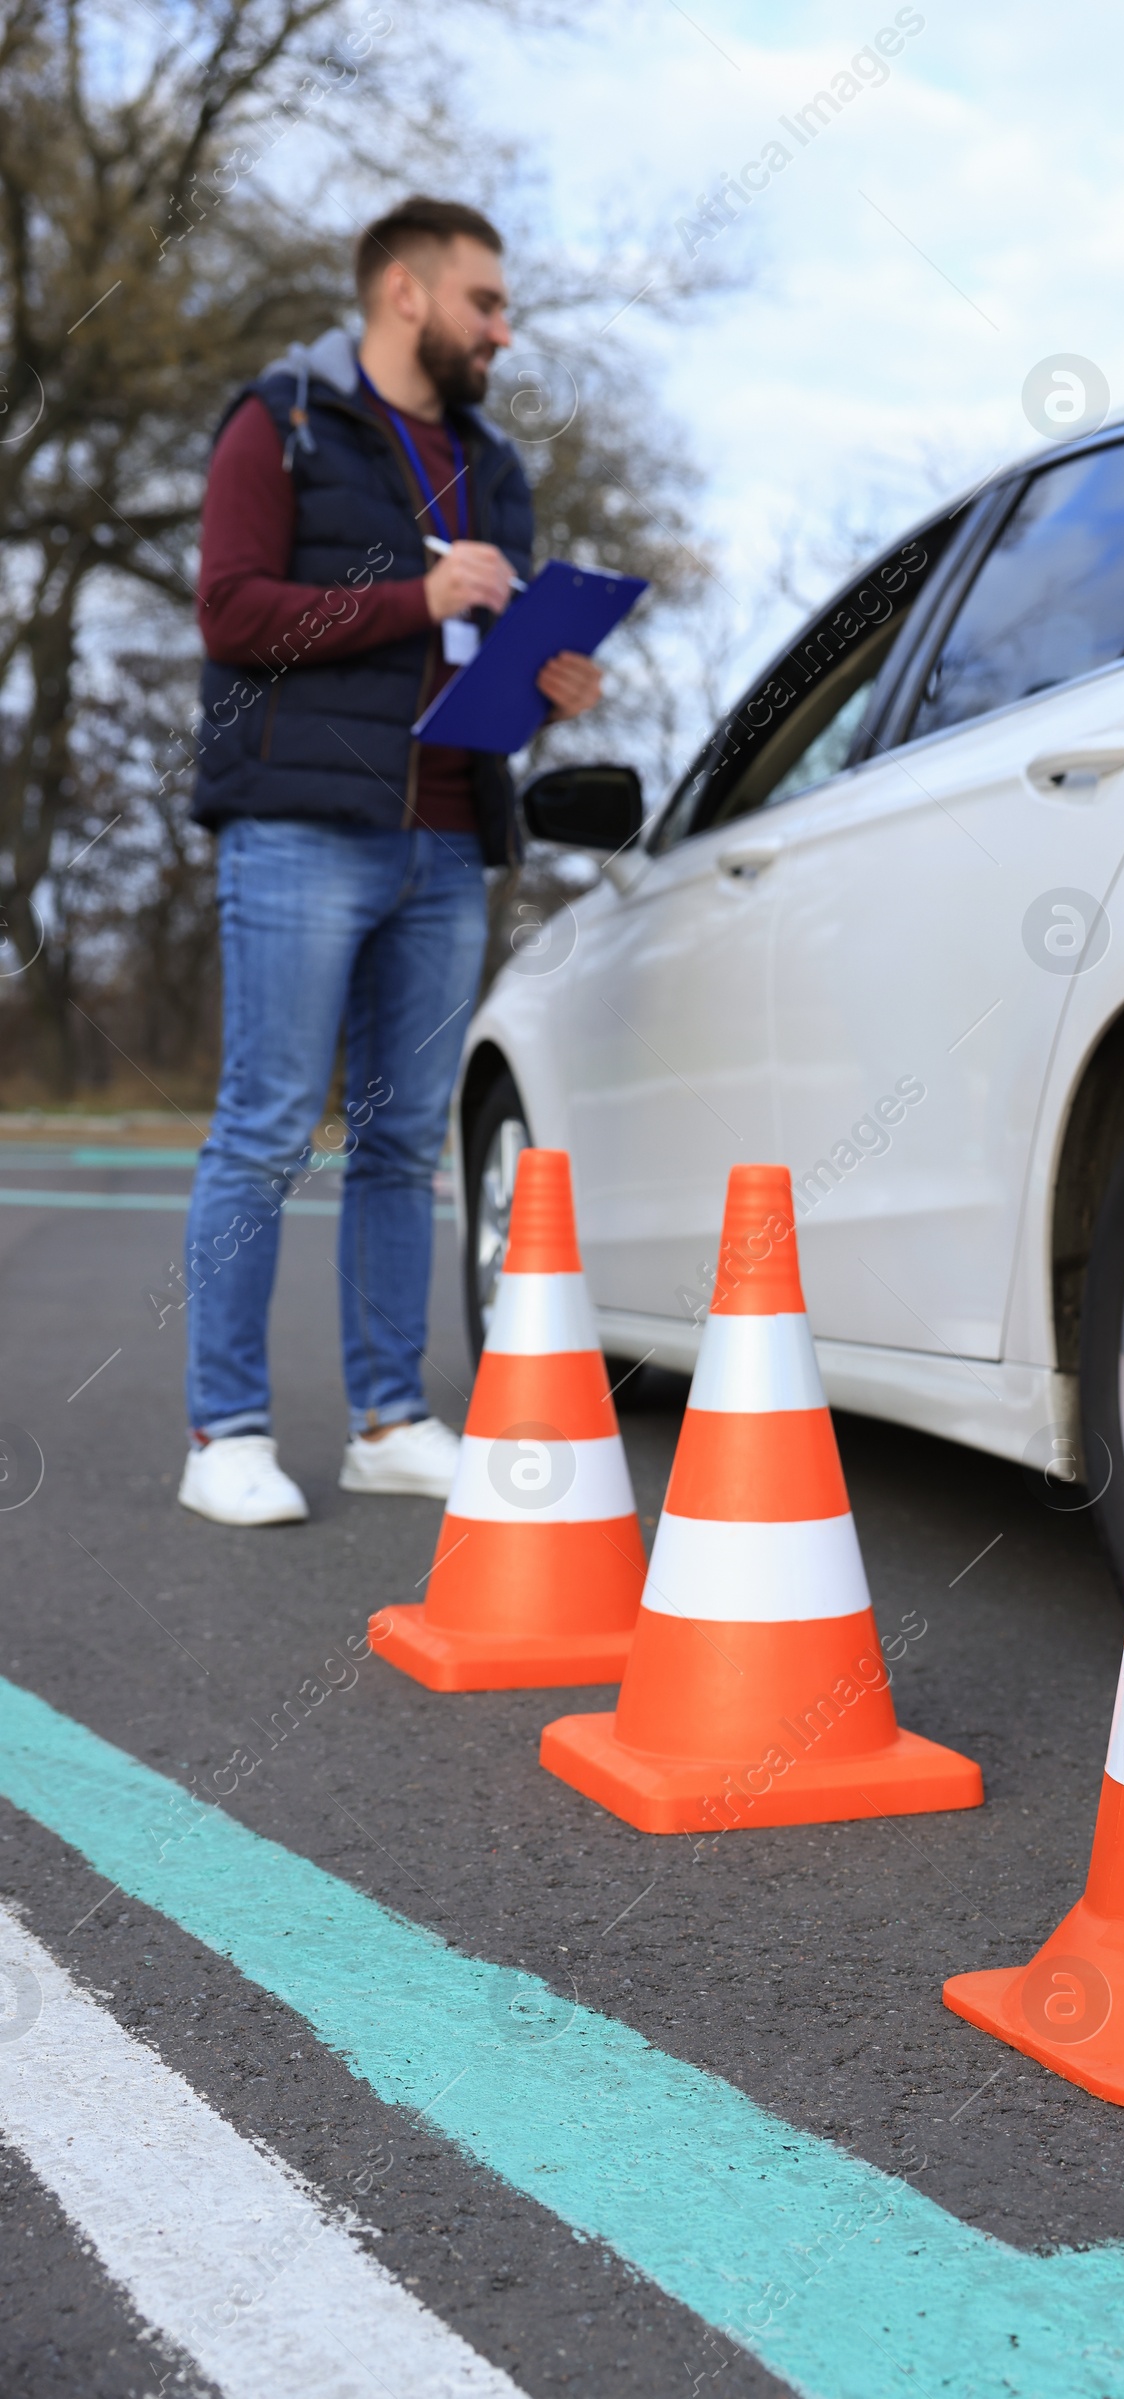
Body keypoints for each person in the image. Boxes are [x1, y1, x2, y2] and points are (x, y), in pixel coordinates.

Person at [177, 196, 601, 1528]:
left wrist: (549, 684)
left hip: (443, 837)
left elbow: (487, 661)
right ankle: (224, 1433)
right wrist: (409, 599)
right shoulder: (284, 422)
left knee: (404, 1139)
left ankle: (387, 1418)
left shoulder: (490, 462)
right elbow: (233, 612)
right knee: (265, 1129)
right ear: (405, 294)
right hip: (300, 827)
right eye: (485, 301)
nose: (502, 327)